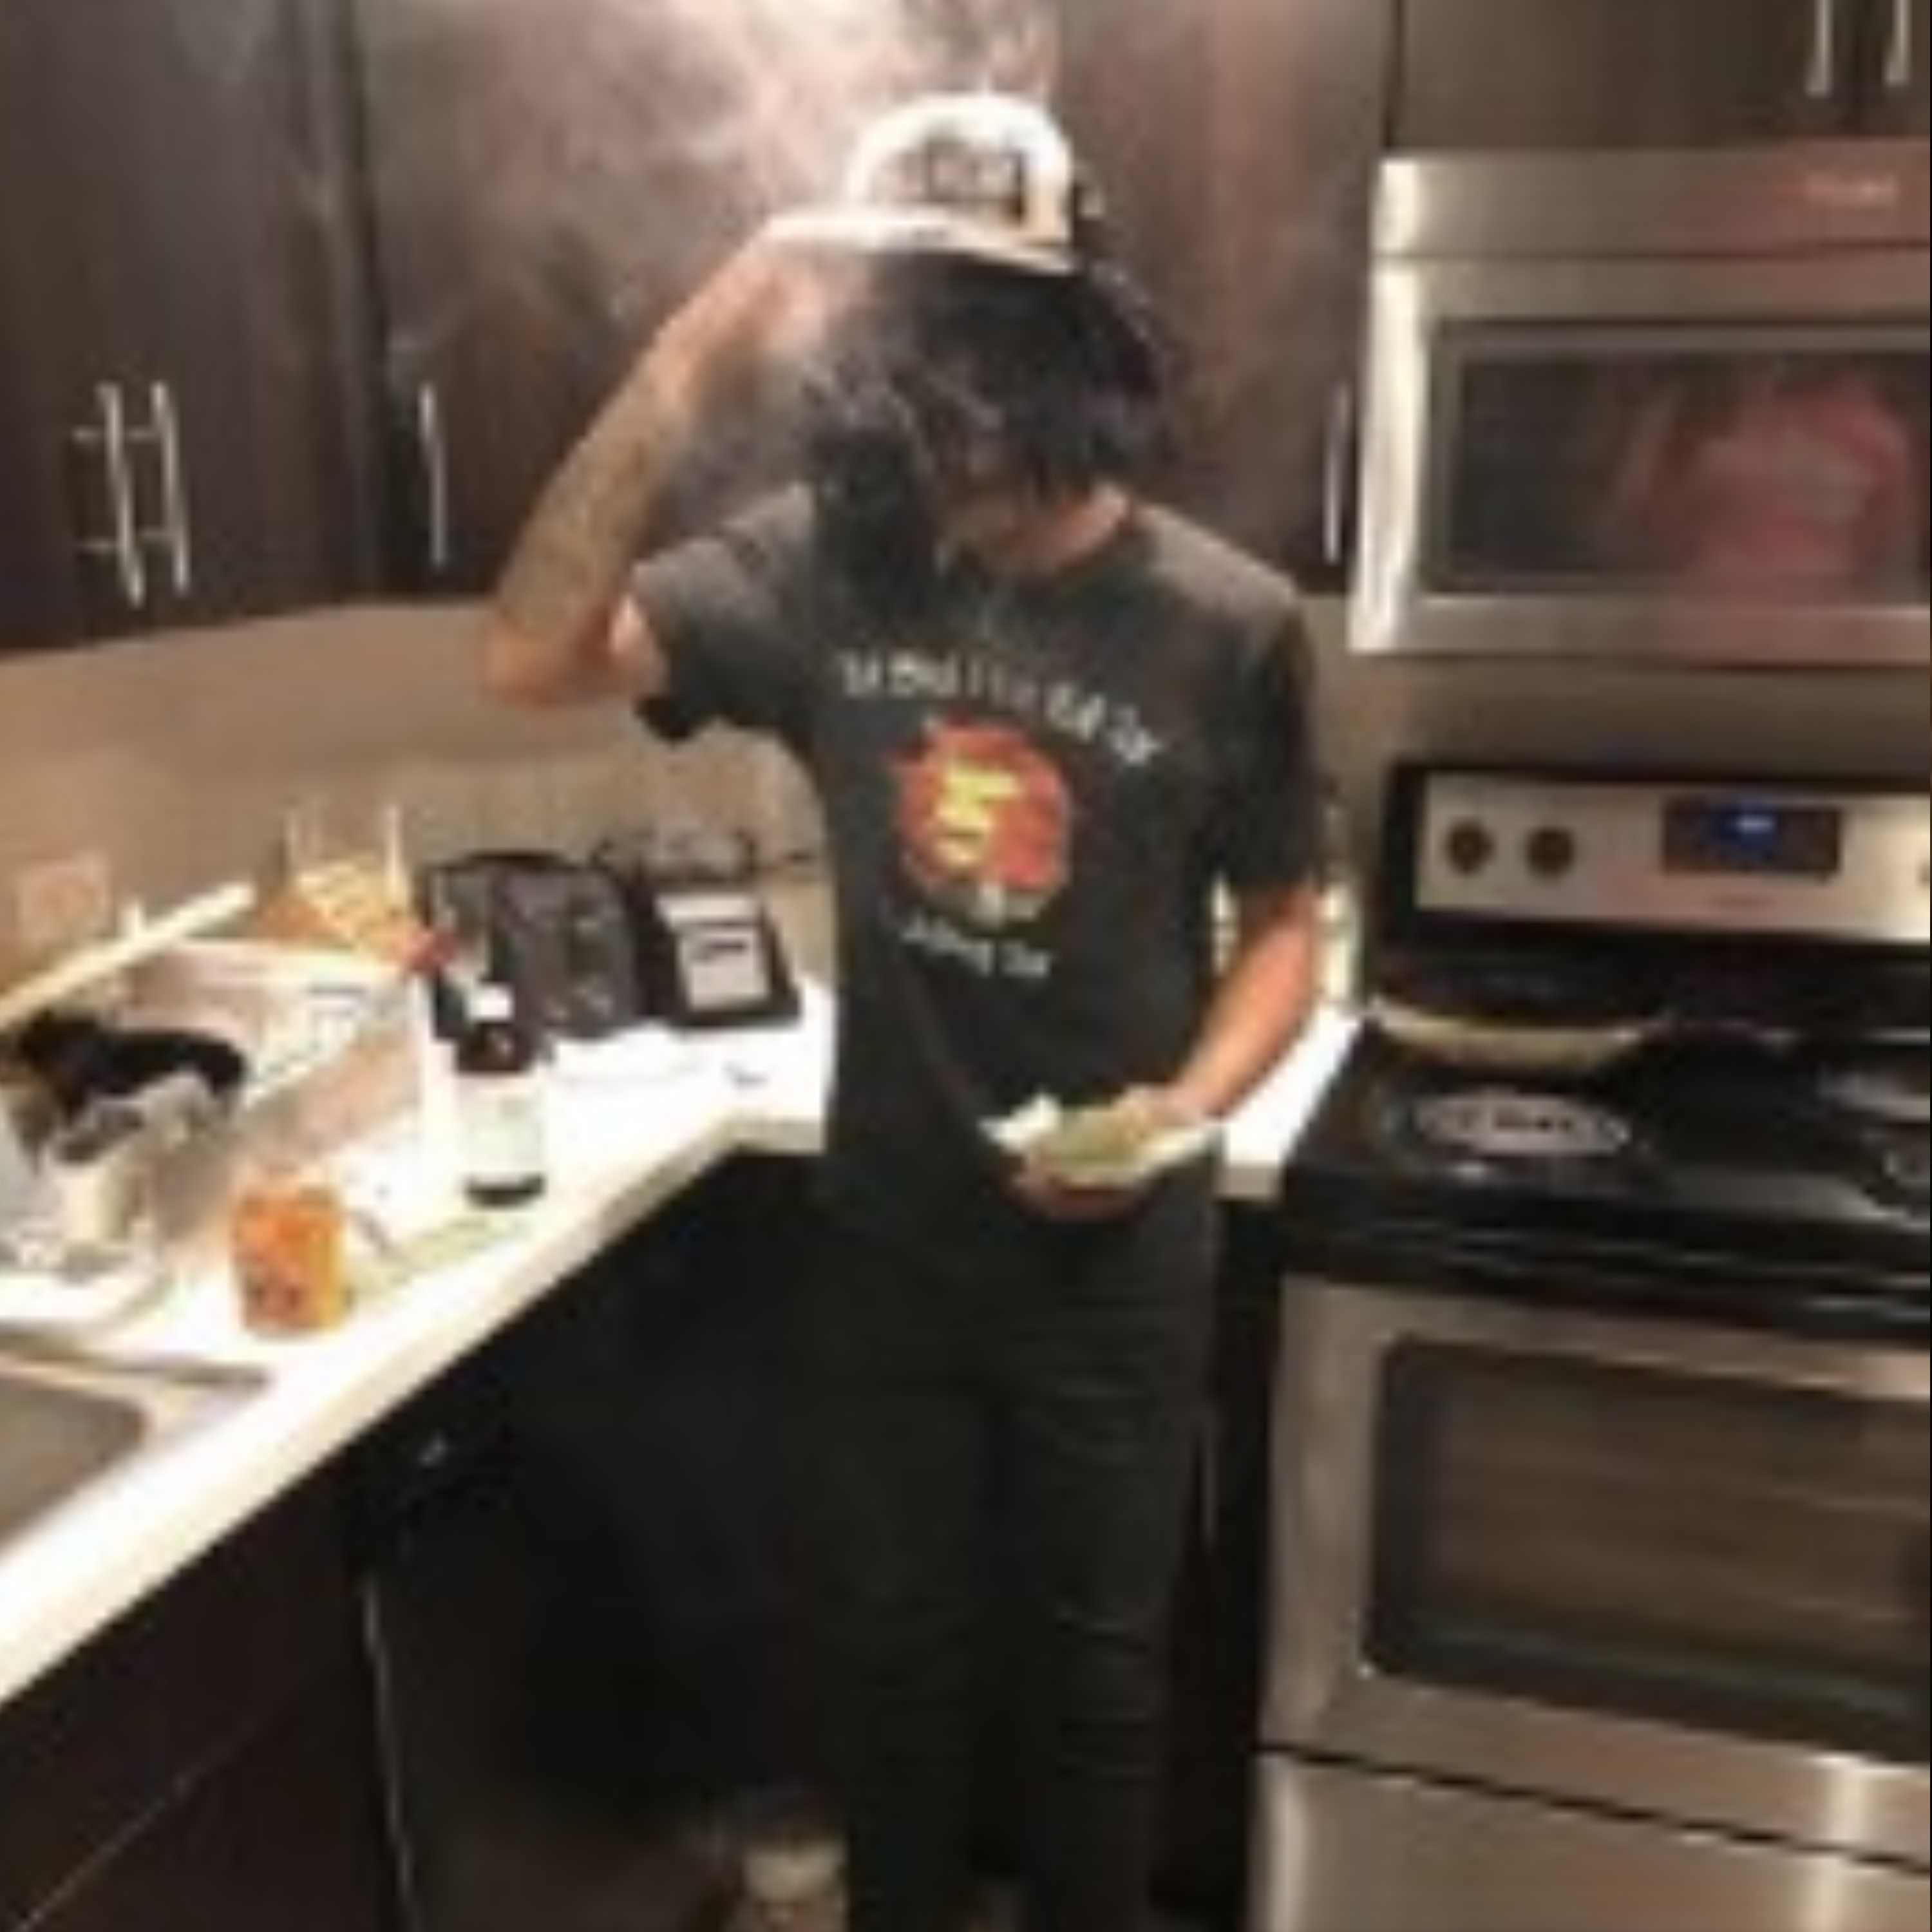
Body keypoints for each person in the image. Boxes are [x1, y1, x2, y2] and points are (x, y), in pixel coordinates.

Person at [479, 90, 1325, 1932]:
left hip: (1117, 1274)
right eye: (901, 389)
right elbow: (531, 654)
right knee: (895, 1670)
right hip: (894, 1242)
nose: (939, 458)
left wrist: (1180, 1113)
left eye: (976, 397)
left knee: (1098, 1693)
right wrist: (700, 345)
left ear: (1078, 360)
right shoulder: (825, 566)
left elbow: (1285, 925)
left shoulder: (1229, 623)